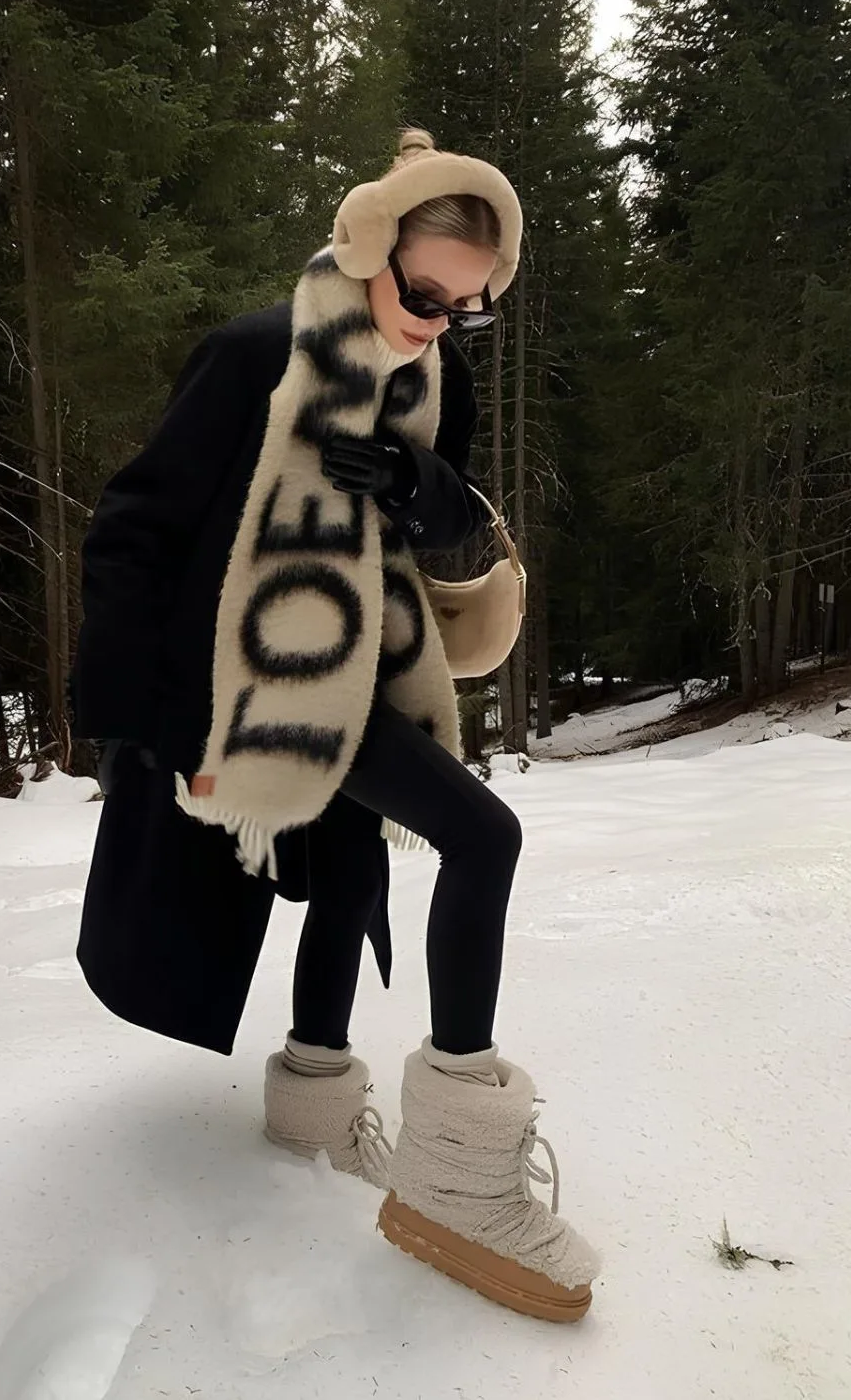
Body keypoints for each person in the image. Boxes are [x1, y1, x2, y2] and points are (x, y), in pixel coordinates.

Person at [69, 128, 600, 1322]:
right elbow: (131, 534)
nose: (437, 323)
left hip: (368, 670)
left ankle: (313, 1093)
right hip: (257, 687)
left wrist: (417, 488)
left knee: (355, 871)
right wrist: (155, 730)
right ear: (368, 247)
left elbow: (450, 527)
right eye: (423, 293)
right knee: (484, 839)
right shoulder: (260, 354)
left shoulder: (430, 380)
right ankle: (460, 1180)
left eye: (466, 310)